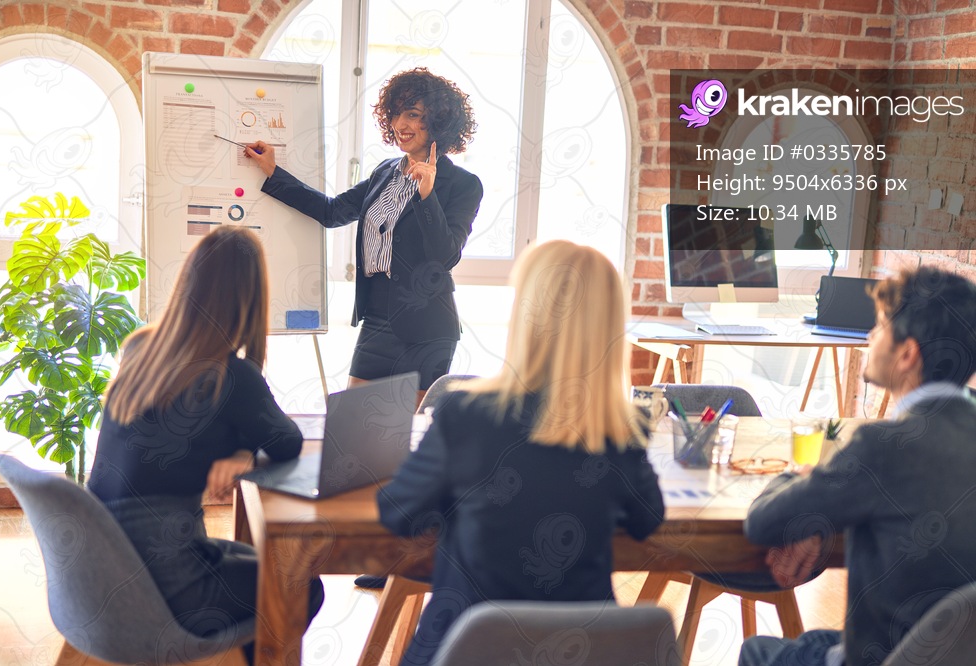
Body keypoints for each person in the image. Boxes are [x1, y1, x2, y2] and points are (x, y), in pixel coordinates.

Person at [377, 240, 666, 665]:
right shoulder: (623, 430)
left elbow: (397, 513)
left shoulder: (465, 414)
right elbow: (647, 520)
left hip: (469, 650)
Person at [89, 226, 324, 661]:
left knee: (256, 564)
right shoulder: (231, 378)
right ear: (249, 301)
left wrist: (240, 450)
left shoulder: (141, 349)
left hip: (101, 570)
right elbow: (288, 442)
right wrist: (246, 449)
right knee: (301, 585)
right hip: (170, 585)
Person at [739, 265, 976, 666]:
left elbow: (762, 523)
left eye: (880, 326)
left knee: (758, 650)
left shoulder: (883, 447)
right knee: (814, 639)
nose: (869, 336)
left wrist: (802, 479)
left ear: (907, 354)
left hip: (880, 658)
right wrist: (825, 513)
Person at [246, 67, 482, 407]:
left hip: (426, 327)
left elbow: (446, 256)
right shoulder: (384, 172)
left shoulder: (462, 184)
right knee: (355, 427)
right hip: (377, 318)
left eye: (414, 115)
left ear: (439, 122)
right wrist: (273, 171)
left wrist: (426, 195)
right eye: (398, 114)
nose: (402, 124)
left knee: (409, 434)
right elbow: (331, 212)